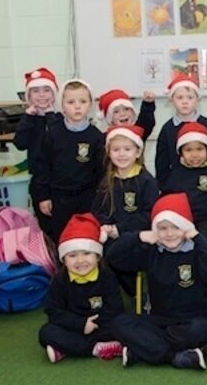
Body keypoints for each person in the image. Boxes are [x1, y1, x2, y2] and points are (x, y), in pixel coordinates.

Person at [109, 193, 207, 370]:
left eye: (176, 227)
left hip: (192, 321)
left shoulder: (197, 251)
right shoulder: (151, 252)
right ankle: (175, 357)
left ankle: (143, 349)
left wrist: (198, 238)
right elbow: (113, 258)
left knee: (203, 329)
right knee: (120, 323)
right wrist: (138, 236)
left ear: (186, 228)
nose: (169, 234)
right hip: (158, 320)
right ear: (155, 230)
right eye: (162, 228)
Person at [39, 213, 124, 363]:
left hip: (101, 326)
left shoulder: (107, 276)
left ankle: (66, 349)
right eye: (72, 255)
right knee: (46, 332)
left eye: (86, 253)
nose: (80, 261)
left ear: (98, 256)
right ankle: (96, 349)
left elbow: (115, 308)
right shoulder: (59, 280)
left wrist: (94, 324)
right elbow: (53, 312)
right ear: (63, 260)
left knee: (124, 324)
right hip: (73, 327)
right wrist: (80, 324)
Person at [32, 78, 104, 242]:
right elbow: (41, 167)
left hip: (87, 198)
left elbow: (101, 171)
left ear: (90, 105)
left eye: (83, 101)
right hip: (58, 198)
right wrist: (43, 196)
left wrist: (99, 200)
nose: (77, 106)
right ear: (62, 105)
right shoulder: (52, 134)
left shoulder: (96, 137)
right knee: (62, 238)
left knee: (87, 237)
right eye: (71, 102)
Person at [91, 125, 159, 295]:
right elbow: (98, 211)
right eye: (116, 150)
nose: (121, 154)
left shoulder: (146, 181)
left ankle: (140, 295)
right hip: (111, 237)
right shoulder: (107, 180)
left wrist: (120, 229)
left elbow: (149, 215)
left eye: (127, 149)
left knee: (118, 256)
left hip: (140, 237)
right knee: (99, 255)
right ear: (109, 153)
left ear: (138, 152)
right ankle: (116, 298)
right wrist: (106, 226)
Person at [161, 122, 207, 247]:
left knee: (203, 242)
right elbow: (165, 202)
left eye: (199, 149)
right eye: (188, 150)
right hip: (181, 221)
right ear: (181, 153)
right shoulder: (175, 176)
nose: (194, 155)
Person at [14, 67, 60, 229]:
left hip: (59, 181)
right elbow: (20, 143)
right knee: (45, 226)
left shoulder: (58, 118)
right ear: (29, 96)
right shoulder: (29, 120)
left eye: (46, 90)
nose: (41, 95)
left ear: (54, 94)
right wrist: (28, 117)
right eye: (35, 91)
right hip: (39, 182)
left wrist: (50, 115)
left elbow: (58, 142)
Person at [155, 75, 207, 186]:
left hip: (206, 184)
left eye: (190, 97)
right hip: (178, 184)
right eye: (180, 98)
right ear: (171, 100)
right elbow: (161, 163)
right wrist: (165, 186)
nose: (184, 102)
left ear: (198, 100)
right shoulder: (167, 129)